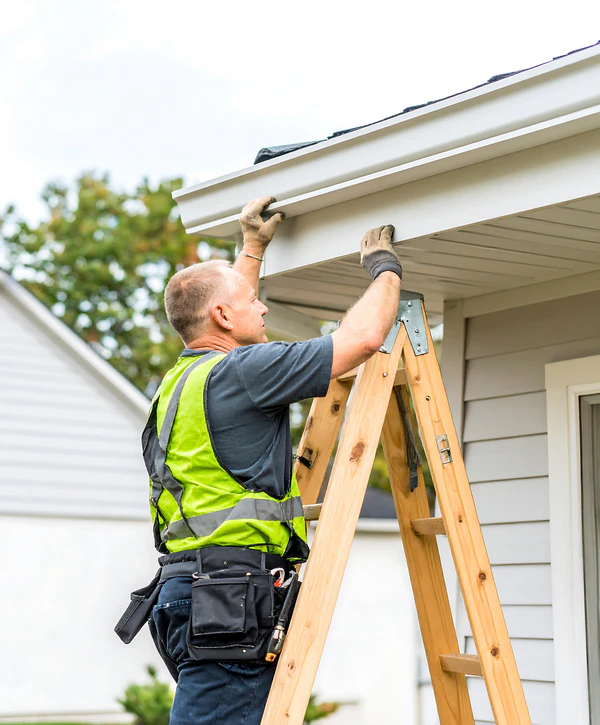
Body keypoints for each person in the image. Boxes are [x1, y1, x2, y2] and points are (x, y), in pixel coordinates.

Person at [116, 196, 403, 725]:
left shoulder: (178, 385)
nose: (263, 306)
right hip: (229, 600)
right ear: (223, 316)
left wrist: (252, 247)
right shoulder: (244, 373)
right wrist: (385, 269)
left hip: (191, 595)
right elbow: (363, 338)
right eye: (253, 301)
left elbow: (226, 305)